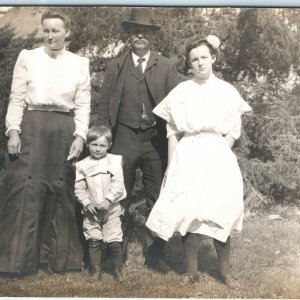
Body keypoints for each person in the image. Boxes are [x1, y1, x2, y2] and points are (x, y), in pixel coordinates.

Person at [146, 35, 252, 287]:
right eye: (194, 59)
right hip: (188, 153)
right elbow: (172, 133)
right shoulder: (181, 92)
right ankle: (191, 271)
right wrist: (173, 167)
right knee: (189, 209)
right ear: (188, 65)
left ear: (213, 58)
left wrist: (216, 153)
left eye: (204, 57)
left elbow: (233, 131)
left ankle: (225, 272)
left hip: (217, 153)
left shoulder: (226, 91)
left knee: (220, 208)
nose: (200, 63)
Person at [0, 10, 91, 274]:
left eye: (56, 31)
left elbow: (83, 104)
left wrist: (80, 135)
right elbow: (16, 97)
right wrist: (14, 131)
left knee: (60, 190)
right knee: (26, 191)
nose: (50, 36)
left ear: (67, 33)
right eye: (47, 30)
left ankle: (60, 260)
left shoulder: (79, 62)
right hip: (32, 125)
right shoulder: (28, 58)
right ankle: (18, 261)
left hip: (64, 127)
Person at [96, 8, 179, 272]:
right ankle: (115, 254)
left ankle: (155, 254)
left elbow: (178, 105)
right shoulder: (116, 66)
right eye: (134, 31)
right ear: (129, 36)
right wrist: (102, 139)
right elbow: (103, 107)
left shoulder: (166, 66)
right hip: (123, 139)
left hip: (155, 141)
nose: (139, 35)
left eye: (145, 31)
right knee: (120, 196)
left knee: (158, 198)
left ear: (153, 36)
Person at [75, 125, 127, 282]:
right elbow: (79, 188)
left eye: (102, 145)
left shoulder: (115, 161)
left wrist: (108, 200)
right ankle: (95, 271)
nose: (98, 149)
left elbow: (118, 184)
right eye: (94, 145)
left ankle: (118, 271)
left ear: (109, 146)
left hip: (111, 210)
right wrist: (86, 203)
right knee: (94, 239)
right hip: (92, 212)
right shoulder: (82, 165)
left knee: (114, 240)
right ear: (87, 144)